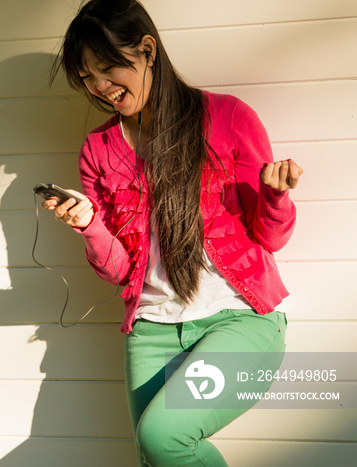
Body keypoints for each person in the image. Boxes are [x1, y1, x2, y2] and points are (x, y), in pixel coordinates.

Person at [43, 0, 303, 465]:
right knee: (155, 457)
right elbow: (120, 270)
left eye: (108, 68)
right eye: (87, 78)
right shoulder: (98, 150)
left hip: (237, 319)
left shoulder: (227, 119)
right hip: (153, 329)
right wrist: (88, 224)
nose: (101, 87)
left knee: (163, 438)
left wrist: (276, 198)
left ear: (147, 49)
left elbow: (271, 238)